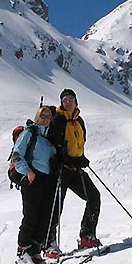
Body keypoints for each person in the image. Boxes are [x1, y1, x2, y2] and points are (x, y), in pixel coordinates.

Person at [48, 88, 102, 248]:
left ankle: (87, 236)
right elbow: (54, 146)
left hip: (76, 169)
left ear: (76, 101)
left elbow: (80, 143)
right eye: (65, 100)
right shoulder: (57, 120)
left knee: (94, 197)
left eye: (70, 99)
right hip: (61, 170)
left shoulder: (79, 121)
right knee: (56, 207)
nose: (68, 102)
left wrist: (80, 158)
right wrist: (69, 160)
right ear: (61, 103)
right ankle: (49, 243)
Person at [9, 105, 60, 264]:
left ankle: (34, 250)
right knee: (30, 216)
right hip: (31, 179)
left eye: (48, 117)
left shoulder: (47, 140)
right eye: (43, 116)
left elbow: (53, 159)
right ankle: (23, 252)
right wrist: (28, 172)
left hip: (44, 181)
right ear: (37, 117)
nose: (45, 119)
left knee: (43, 216)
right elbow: (16, 155)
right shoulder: (29, 133)